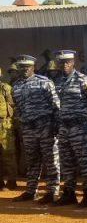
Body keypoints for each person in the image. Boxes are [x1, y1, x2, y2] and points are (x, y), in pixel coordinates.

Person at [52, 50, 87, 207]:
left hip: (80, 127)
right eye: (62, 62)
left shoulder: (82, 80)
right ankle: (69, 193)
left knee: (85, 161)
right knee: (66, 162)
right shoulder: (58, 81)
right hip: (64, 128)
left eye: (67, 62)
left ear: (73, 63)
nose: (65, 65)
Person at [11, 55, 60, 203]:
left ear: (33, 67)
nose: (25, 69)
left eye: (27, 66)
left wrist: (56, 127)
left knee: (51, 160)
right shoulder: (16, 86)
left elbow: (56, 106)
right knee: (32, 160)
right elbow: (18, 109)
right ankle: (31, 190)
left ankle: (53, 191)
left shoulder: (44, 82)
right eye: (22, 67)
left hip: (46, 126)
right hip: (28, 128)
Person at [0, 66, 16, 190]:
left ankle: (11, 181)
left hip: (4, 124)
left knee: (8, 153)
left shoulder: (5, 88)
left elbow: (13, 105)